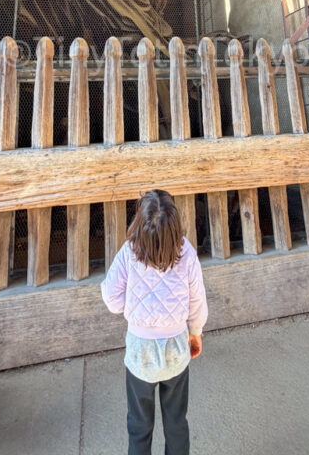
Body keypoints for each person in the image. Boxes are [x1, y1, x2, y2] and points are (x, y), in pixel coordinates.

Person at [101, 190, 208, 455]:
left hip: (140, 354)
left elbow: (110, 297)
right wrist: (195, 333)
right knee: (176, 423)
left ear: (139, 221)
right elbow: (197, 301)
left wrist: (133, 310)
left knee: (139, 427)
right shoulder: (187, 252)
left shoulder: (129, 251)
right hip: (175, 350)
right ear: (175, 226)